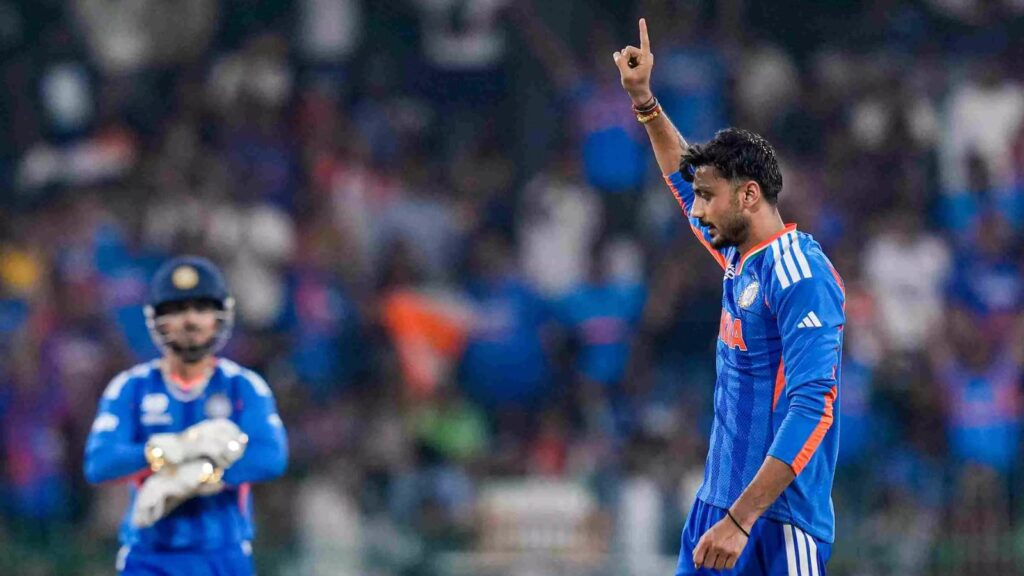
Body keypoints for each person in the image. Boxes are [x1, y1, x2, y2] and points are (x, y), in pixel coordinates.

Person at [612, 19, 845, 574]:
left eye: (708, 198)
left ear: (749, 194)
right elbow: (679, 175)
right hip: (717, 508)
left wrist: (742, 521)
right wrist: (645, 103)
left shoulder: (801, 274)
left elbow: (814, 407)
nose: (695, 210)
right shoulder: (742, 258)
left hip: (775, 522)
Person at [84, 255, 288, 575]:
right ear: (156, 319)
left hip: (223, 555)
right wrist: (162, 452)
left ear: (220, 316)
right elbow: (100, 464)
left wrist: (199, 477)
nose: (190, 321)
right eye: (176, 310)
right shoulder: (131, 387)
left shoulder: (242, 386)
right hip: (149, 556)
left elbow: (270, 456)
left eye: (201, 308)